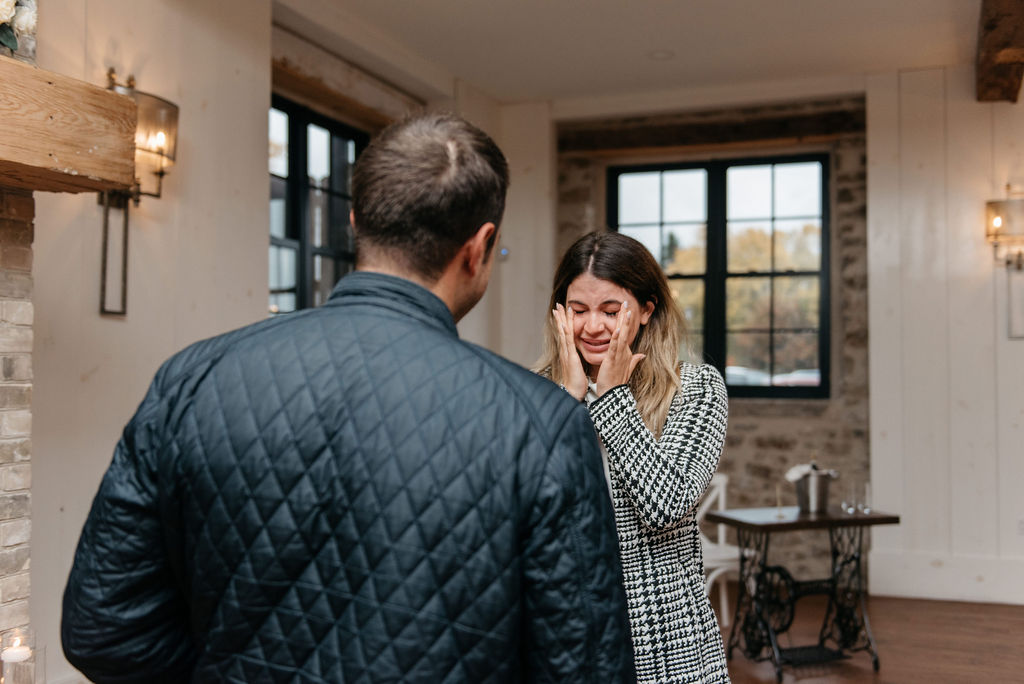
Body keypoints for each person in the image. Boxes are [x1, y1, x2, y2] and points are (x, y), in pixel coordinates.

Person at [62, 113, 636, 683]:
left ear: (356, 221)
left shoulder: (191, 378)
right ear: (480, 247)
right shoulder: (543, 423)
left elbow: (103, 628)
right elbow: (584, 667)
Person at [535, 231, 730, 683]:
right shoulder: (538, 392)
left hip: (665, 640)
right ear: (560, 313)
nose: (592, 327)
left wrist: (611, 395)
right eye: (578, 310)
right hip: (567, 632)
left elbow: (666, 505)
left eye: (610, 310)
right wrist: (567, 401)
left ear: (646, 309)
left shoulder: (696, 389)